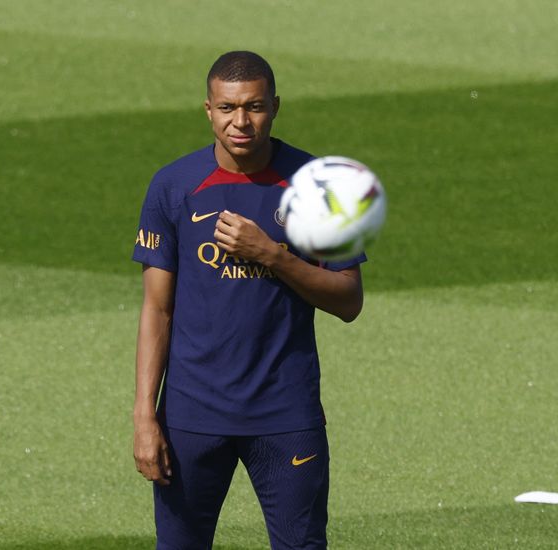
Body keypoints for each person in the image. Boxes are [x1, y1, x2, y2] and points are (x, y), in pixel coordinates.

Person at [132, 50, 365, 549]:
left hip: (285, 414)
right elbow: (157, 309)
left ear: (275, 106)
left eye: (254, 107)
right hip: (190, 416)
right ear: (208, 110)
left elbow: (349, 299)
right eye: (227, 108)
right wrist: (143, 416)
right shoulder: (173, 186)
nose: (241, 122)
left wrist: (273, 255)